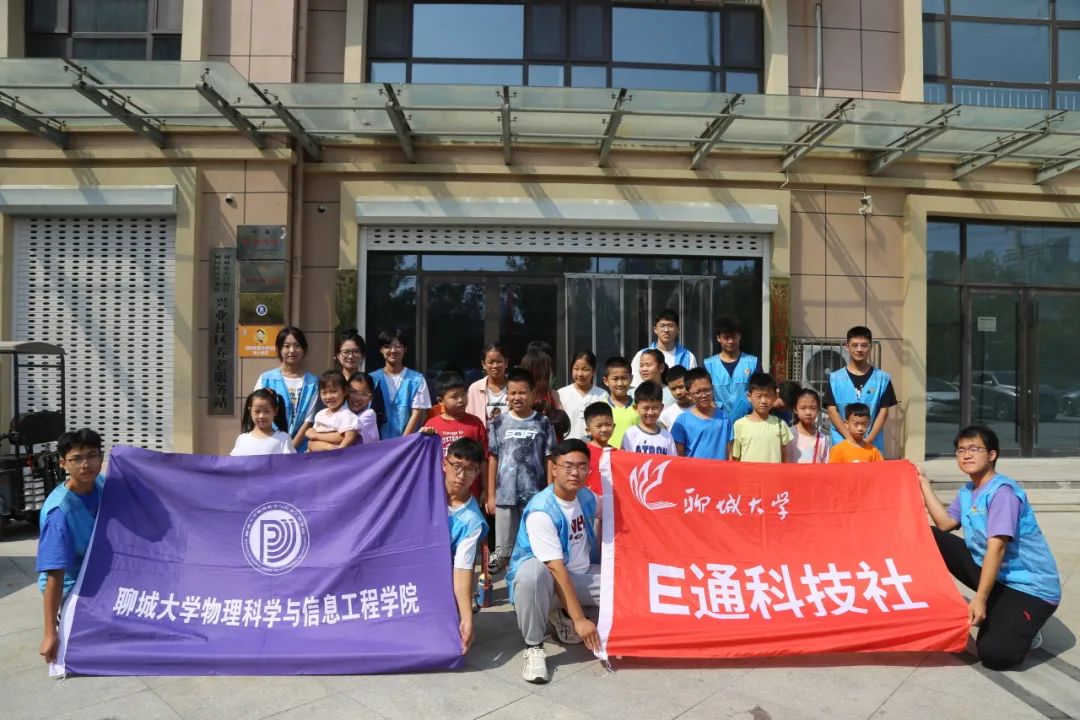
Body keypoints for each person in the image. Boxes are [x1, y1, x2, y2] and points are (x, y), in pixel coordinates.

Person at [919, 426, 1060, 670]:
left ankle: (1027, 629)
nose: (966, 455)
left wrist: (980, 599)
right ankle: (1001, 609)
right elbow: (945, 524)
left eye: (974, 449)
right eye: (961, 450)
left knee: (995, 655)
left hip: (1030, 588)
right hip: (998, 575)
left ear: (992, 454)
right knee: (929, 535)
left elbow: (998, 549)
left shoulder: (1002, 493)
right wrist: (923, 483)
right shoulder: (968, 492)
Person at [506, 438, 601, 684]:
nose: (575, 473)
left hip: (581, 575)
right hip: (547, 585)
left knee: (627, 585)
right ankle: (534, 647)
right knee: (532, 575)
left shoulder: (586, 497)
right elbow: (556, 569)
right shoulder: (542, 510)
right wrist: (580, 620)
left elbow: (616, 511)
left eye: (582, 466)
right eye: (568, 466)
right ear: (554, 468)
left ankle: (562, 616)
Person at [37, 429, 106, 664]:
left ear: (101, 457)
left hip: (98, 573)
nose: (86, 464)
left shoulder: (100, 484)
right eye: (76, 458)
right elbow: (55, 575)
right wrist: (50, 634)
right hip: (73, 586)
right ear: (63, 463)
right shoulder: (59, 513)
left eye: (92, 455)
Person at [486, 367, 558, 573]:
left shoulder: (543, 422)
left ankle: (532, 585)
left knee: (534, 546)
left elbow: (550, 458)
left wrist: (550, 492)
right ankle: (512, 585)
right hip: (505, 496)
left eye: (522, 392)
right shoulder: (498, 423)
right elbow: (493, 458)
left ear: (532, 394)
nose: (517, 397)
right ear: (507, 395)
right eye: (513, 393)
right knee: (505, 552)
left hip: (535, 496)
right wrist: (491, 495)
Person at [445, 437, 488, 655]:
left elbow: (462, 569)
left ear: (478, 473)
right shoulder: (426, 488)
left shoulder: (472, 521)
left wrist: (466, 618)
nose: (461, 475)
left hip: (440, 578)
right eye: (457, 466)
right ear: (445, 464)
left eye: (470, 469)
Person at [824, 325, 896, 456]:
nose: (859, 349)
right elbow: (832, 411)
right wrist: (850, 440)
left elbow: (883, 412)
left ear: (870, 347)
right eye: (854, 345)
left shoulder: (882, 378)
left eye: (864, 345)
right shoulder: (835, 379)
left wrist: (868, 440)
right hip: (842, 442)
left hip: (872, 443)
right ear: (847, 347)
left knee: (872, 469)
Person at [423, 371, 489, 498]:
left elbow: (484, 460)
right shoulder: (432, 425)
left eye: (463, 394)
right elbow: (425, 461)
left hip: (470, 494)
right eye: (454, 397)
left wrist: (486, 489)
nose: (461, 400)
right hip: (440, 494)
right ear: (440, 401)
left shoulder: (475, 424)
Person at [254, 326, 319, 451]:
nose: (292, 350)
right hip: (271, 446)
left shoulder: (313, 382)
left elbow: (309, 420)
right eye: (286, 346)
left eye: (297, 345)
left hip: (302, 449)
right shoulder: (266, 379)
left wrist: (290, 448)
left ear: (304, 349)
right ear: (279, 349)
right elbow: (258, 413)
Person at [370, 328, 431, 439]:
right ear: (381, 350)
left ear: (405, 349)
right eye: (387, 346)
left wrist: (402, 443)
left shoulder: (417, 380)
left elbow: (417, 414)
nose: (393, 350)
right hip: (376, 445)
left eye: (398, 346)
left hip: (407, 444)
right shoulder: (371, 379)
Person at [703, 316, 761, 420]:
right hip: (718, 419)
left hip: (747, 419)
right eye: (726, 337)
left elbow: (759, 390)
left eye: (734, 337)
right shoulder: (708, 364)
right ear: (718, 338)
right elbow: (704, 392)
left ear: (740, 337)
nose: (730, 341)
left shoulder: (753, 362)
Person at [671, 367, 734, 460]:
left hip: (720, 469)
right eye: (698, 392)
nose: (704, 395)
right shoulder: (682, 421)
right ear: (688, 395)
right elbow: (678, 455)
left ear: (713, 389)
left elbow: (730, 452)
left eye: (707, 390)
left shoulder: (724, 417)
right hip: (693, 469)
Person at [731, 372, 792, 464]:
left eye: (768, 396)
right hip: (747, 473)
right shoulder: (739, 425)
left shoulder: (780, 425)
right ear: (749, 396)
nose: (763, 401)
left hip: (773, 473)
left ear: (775, 396)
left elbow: (785, 458)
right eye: (758, 396)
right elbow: (735, 458)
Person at [630, 308, 697, 387]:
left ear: (678, 330)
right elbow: (634, 386)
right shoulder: (641, 355)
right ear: (655, 329)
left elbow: (693, 387)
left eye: (670, 326)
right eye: (662, 326)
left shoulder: (688, 357)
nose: (666, 330)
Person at [333, 329, 386, 426]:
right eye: (346, 352)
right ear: (338, 355)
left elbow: (379, 419)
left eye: (356, 351)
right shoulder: (332, 383)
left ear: (362, 355)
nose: (350, 356)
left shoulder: (373, 382)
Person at [557, 351, 606, 441]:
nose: (580, 374)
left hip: (594, 446)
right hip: (568, 446)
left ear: (594, 371)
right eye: (576, 369)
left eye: (585, 369)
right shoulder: (562, 393)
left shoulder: (602, 395)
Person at [305, 371, 360, 452]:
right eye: (324, 393)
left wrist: (338, 452)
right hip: (317, 457)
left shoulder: (347, 415)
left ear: (345, 391)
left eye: (333, 391)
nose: (328, 396)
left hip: (336, 456)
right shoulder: (320, 414)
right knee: (311, 443)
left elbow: (349, 437)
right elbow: (311, 436)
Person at [521, 348, 570, 440]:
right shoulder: (523, 398)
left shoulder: (551, 395)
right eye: (549, 369)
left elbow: (564, 425)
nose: (551, 372)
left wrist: (557, 401)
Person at [230, 389, 295, 456]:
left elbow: (290, 461)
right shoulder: (242, 439)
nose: (261, 416)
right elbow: (234, 461)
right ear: (250, 411)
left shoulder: (283, 438)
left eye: (267, 411)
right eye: (257, 411)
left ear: (275, 411)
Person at [621, 381, 677, 456]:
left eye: (655, 408)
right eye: (646, 408)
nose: (650, 413)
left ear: (661, 408)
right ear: (635, 408)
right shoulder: (630, 433)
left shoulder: (667, 436)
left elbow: (672, 461)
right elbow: (623, 459)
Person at [466, 343, 509, 428]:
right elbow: (467, 418)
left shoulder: (515, 387)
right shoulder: (474, 389)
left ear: (506, 362)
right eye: (490, 362)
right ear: (483, 364)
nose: (495, 366)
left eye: (499, 362)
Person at [602, 356, 638, 449]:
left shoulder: (639, 407)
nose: (620, 383)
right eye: (615, 379)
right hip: (608, 455)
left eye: (624, 378)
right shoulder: (601, 408)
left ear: (631, 378)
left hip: (634, 456)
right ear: (606, 381)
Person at [788, 388, 830, 464]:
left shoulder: (822, 439)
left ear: (818, 410)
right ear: (795, 409)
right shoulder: (788, 435)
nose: (808, 412)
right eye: (803, 408)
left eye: (812, 408)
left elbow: (825, 464)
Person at [583, 401, 614, 496]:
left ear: (614, 426)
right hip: (588, 501)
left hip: (611, 502)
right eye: (599, 426)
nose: (604, 429)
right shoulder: (583, 453)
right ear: (588, 430)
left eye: (608, 424)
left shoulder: (618, 453)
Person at [346, 372, 381, 445]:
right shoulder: (342, 412)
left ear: (370, 397)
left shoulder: (369, 414)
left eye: (364, 394)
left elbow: (346, 437)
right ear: (346, 392)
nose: (357, 398)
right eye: (353, 392)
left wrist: (319, 436)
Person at [659, 365, 694, 430]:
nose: (678, 392)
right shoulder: (666, 415)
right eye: (673, 389)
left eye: (681, 387)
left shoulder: (702, 408)